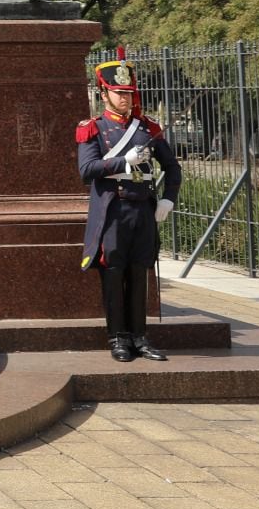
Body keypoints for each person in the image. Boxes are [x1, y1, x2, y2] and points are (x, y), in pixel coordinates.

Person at [78, 48, 182, 363]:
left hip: (143, 210)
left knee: (140, 273)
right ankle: (118, 339)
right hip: (113, 212)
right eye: (118, 92)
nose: (125, 98)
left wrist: (167, 198)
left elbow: (173, 168)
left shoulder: (146, 128)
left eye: (128, 92)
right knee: (114, 274)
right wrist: (125, 161)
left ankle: (139, 337)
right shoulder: (93, 128)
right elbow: (87, 171)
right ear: (103, 93)